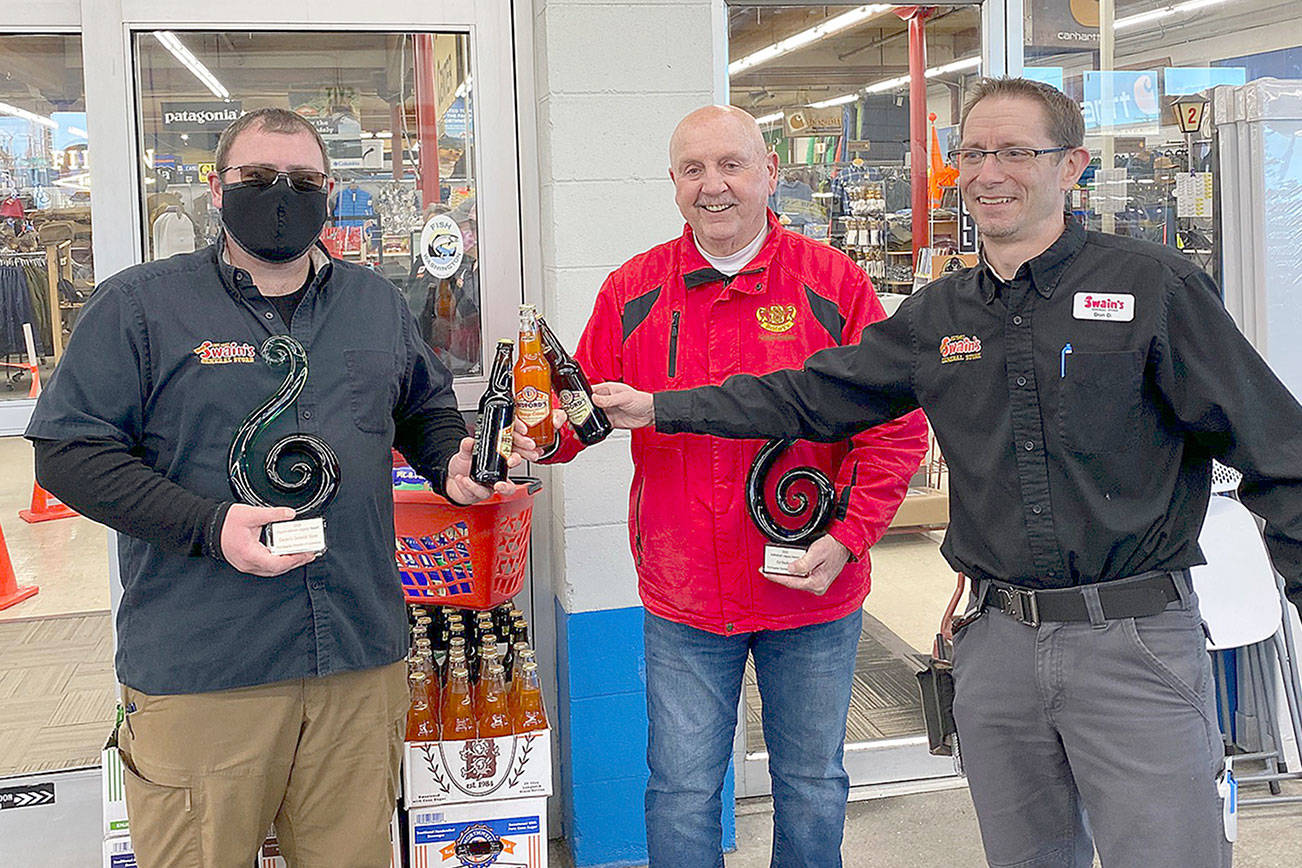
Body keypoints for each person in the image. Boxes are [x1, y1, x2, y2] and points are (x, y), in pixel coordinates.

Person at [594, 78, 1302, 868]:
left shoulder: (1153, 289)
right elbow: (810, 394)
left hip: (1129, 639)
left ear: (1072, 167)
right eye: (972, 154)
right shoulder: (939, 317)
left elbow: (1280, 454)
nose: (989, 173)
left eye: (1016, 152)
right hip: (995, 646)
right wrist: (662, 408)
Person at [25, 107, 539, 868]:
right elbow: (68, 452)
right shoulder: (139, 307)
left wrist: (453, 462)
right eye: (258, 178)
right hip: (207, 668)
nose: (280, 193)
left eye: (302, 180)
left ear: (329, 191)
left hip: (357, 663)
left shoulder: (373, 304)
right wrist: (208, 525)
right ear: (216, 188)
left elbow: (424, 410)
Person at [541, 105, 929, 868]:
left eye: (731, 165)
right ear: (673, 184)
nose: (712, 186)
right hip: (685, 596)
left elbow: (894, 431)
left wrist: (847, 539)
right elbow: (577, 414)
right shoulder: (634, 289)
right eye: (693, 169)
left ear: (769, 174)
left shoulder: (833, 284)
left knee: (813, 782)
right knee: (681, 789)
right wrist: (534, 435)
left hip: (812, 589)